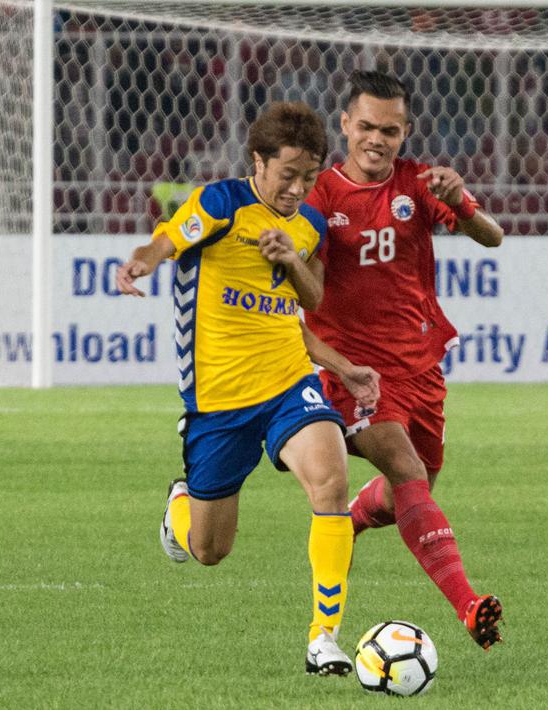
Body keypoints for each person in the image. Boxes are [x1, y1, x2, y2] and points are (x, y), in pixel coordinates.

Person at [116, 101, 379, 677]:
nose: (296, 189)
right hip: (219, 402)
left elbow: (304, 305)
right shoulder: (222, 204)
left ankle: (323, 639)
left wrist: (344, 366)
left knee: (331, 482)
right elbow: (167, 240)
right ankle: (180, 507)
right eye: (287, 175)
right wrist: (142, 261)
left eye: (308, 178)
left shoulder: (306, 225)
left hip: (289, 382)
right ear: (257, 161)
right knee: (210, 551)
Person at [304, 71, 506, 650]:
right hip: (354, 373)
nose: (377, 139)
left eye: (390, 130)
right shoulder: (321, 196)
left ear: (405, 131)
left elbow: (492, 237)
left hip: (421, 368)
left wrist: (459, 204)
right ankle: (469, 606)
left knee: (408, 496)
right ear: (344, 124)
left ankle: (347, 517)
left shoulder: (420, 182)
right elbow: (304, 277)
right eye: (365, 126)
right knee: (409, 473)